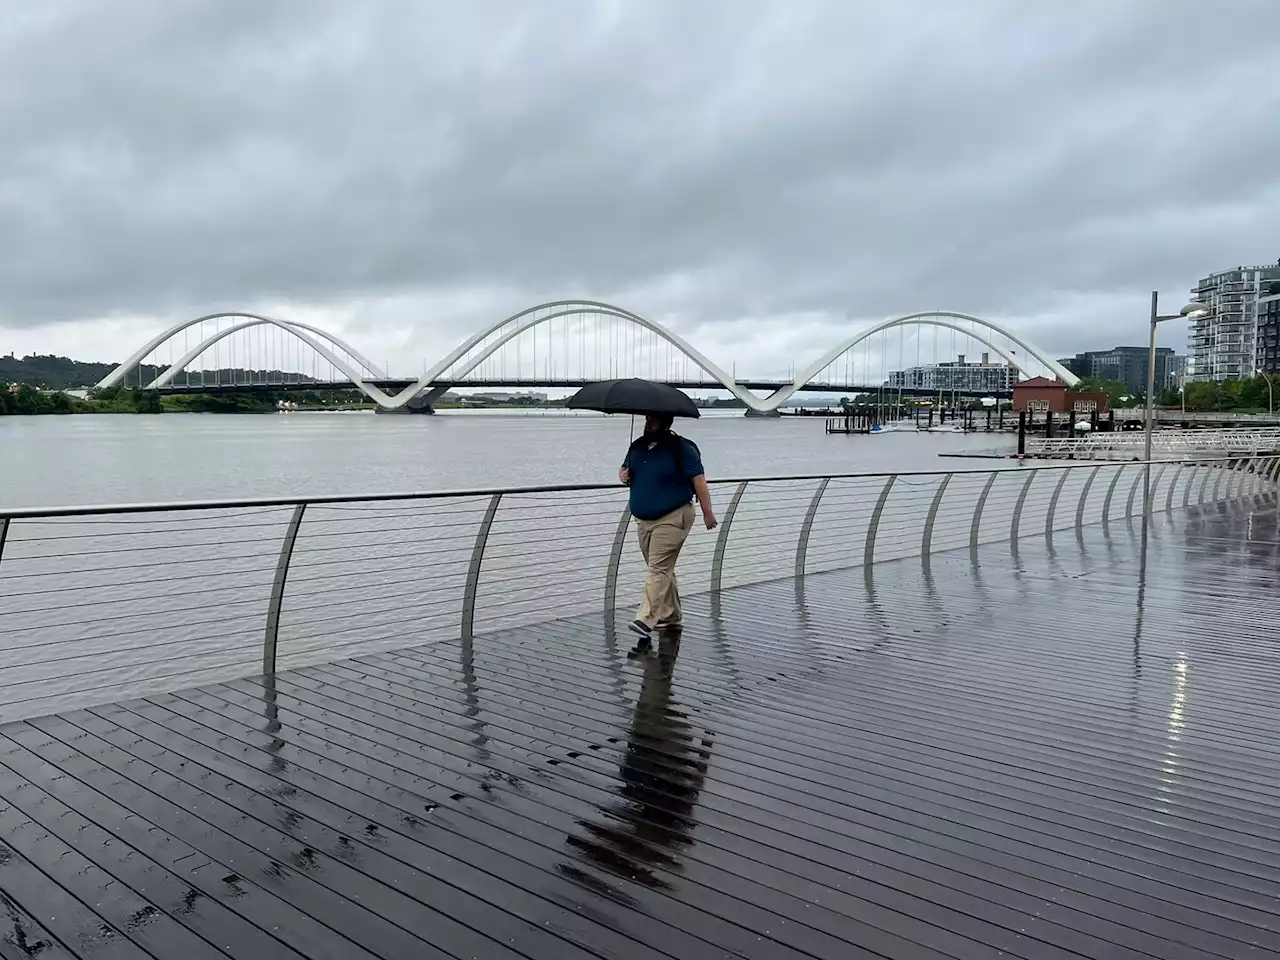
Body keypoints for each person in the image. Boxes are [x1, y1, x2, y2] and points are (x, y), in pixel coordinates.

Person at [618, 413, 716, 645]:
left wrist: (707, 511)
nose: (650, 423)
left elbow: (699, 480)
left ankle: (646, 618)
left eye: (655, 419)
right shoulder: (637, 446)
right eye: (648, 419)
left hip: (674, 515)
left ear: (667, 422)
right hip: (643, 519)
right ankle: (672, 615)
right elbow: (624, 471)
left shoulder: (682, 448)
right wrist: (623, 475)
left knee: (658, 567)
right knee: (661, 568)